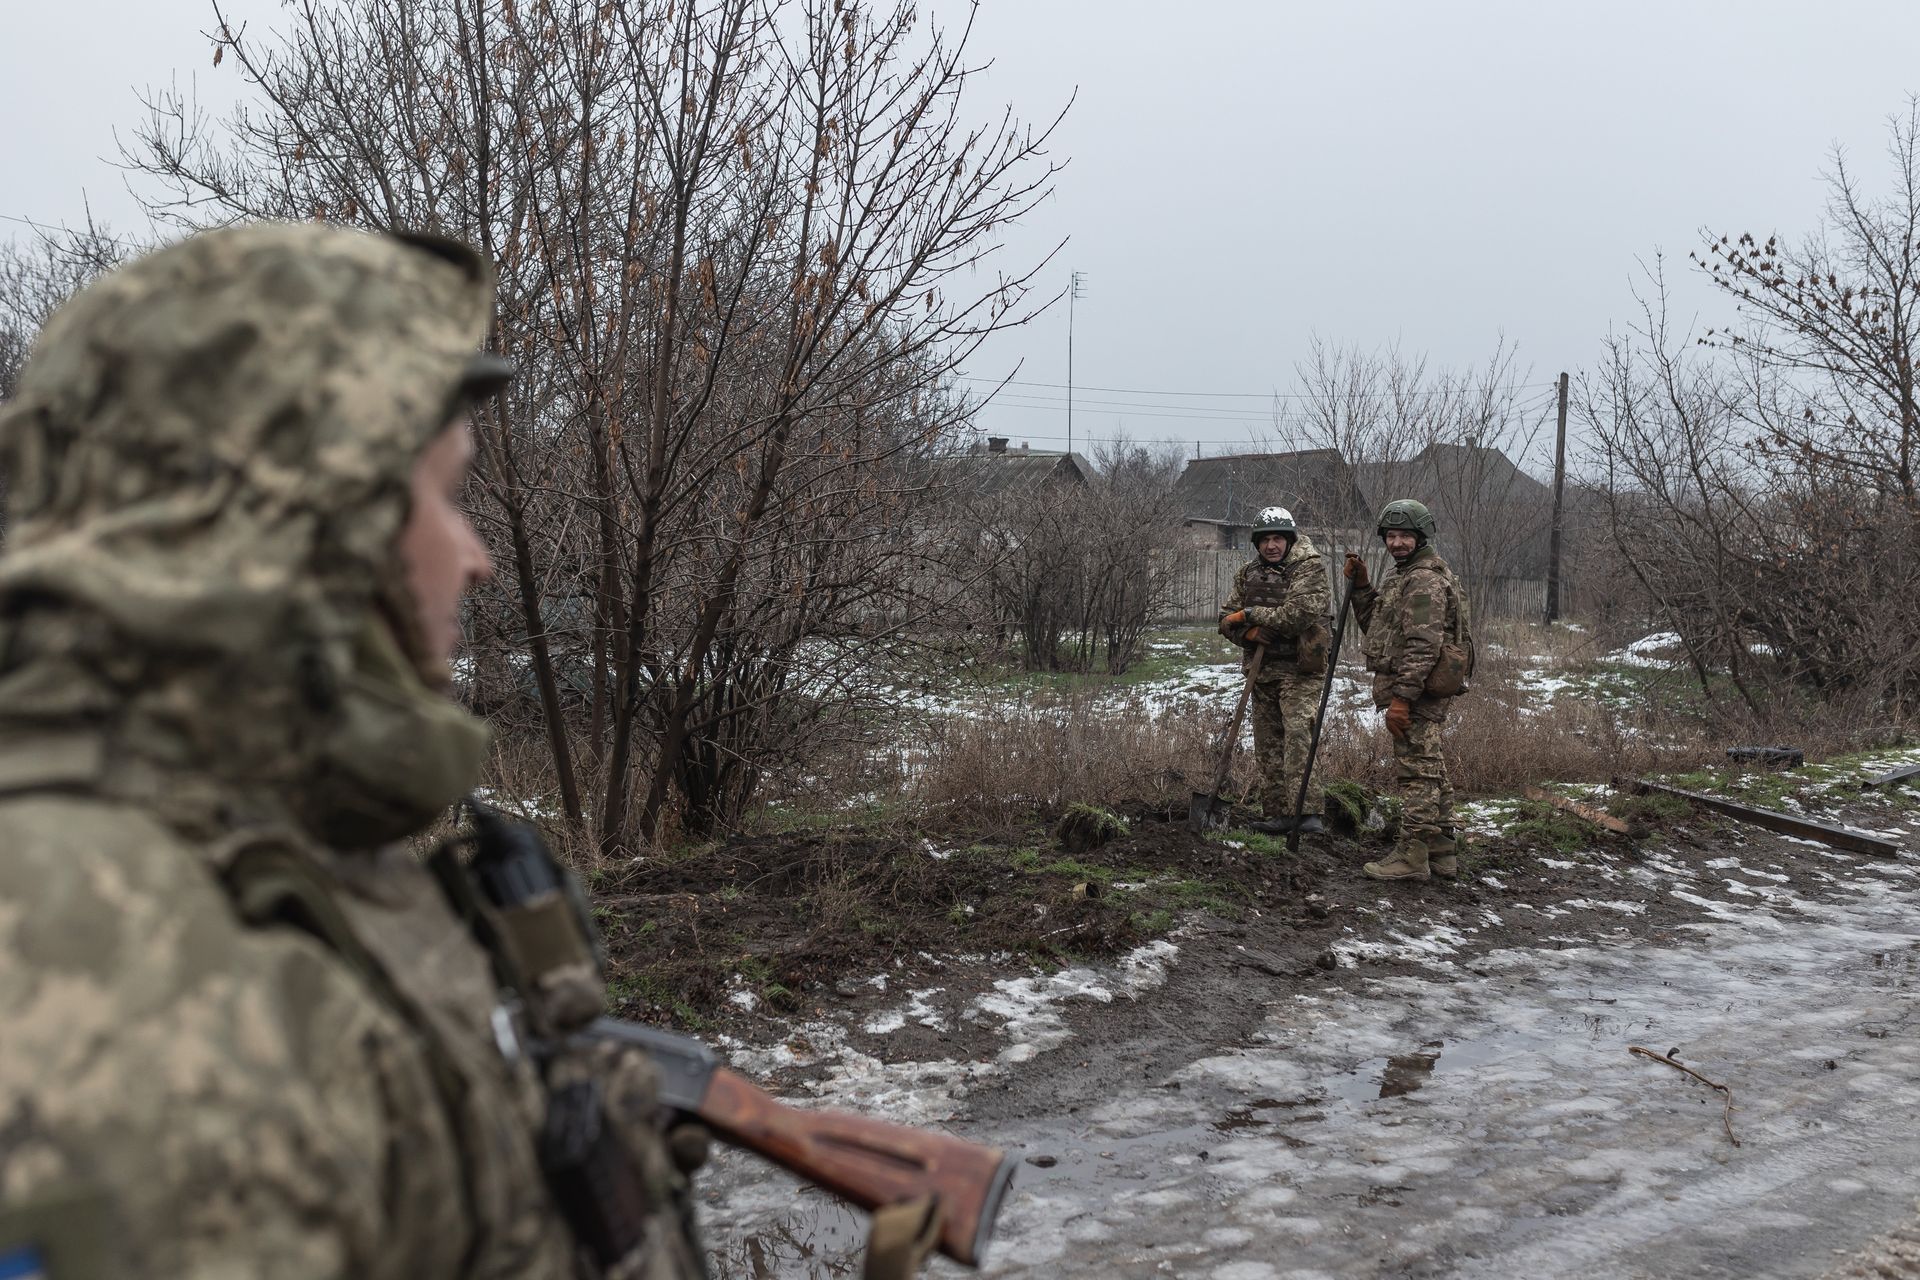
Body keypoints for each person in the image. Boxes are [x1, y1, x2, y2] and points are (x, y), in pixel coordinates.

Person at [0, 225, 706, 1278]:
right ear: (308, 523)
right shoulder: (113, 978)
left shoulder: (262, 845)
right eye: (444, 494)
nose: (473, 558)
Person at [1343, 499, 1475, 882]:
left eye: (1405, 536)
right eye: (1391, 536)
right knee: (1430, 766)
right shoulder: (1406, 573)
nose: (1396, 543)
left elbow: (1422, 645)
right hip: (1413, 687)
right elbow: (1380, 630)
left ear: (1421, 537)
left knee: (1416, 773)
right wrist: (1363, 587)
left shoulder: (1423, 580)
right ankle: (1441, 849)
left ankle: (1412, 854)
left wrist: (1402, 699)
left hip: (1416, 691)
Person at [1218, 505, 1333, 836]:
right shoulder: (1248, 574)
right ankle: (1279, 814)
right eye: (1265, 540)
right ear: (1257, 544)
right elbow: (1225, 619)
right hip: (1263, 671)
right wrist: (1248, 633)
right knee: (1268, 744)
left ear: (1289, 540)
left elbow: (1296, 615)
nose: (1272, 546)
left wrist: (1251, 614)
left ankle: (1307, 813)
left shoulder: (1308, 569)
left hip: (1301, 670)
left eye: (1278, 539)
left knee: (1298, 736)